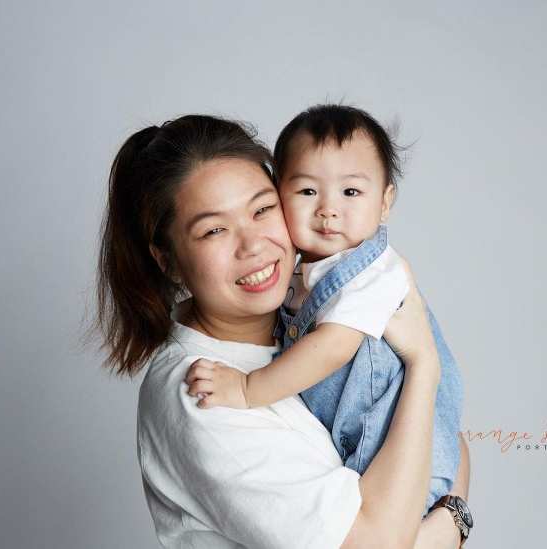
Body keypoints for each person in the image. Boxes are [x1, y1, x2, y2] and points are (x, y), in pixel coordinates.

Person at [94, 114, 470, 548]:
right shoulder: (202, 392)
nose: (253, 244)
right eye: (214, 230)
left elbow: (453, 444)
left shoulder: (303, 320)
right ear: (168, 259)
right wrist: (424, 366)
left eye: (263, 209)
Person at [184, 104, 463, 515]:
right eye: (307, 191)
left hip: (397, 457)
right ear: (280, 196)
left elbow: (333, 348)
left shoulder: (374, 272)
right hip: (359, 453)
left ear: (385, 202)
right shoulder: (302, 274)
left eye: (351, 192)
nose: (328, 209)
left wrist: (247, 390)